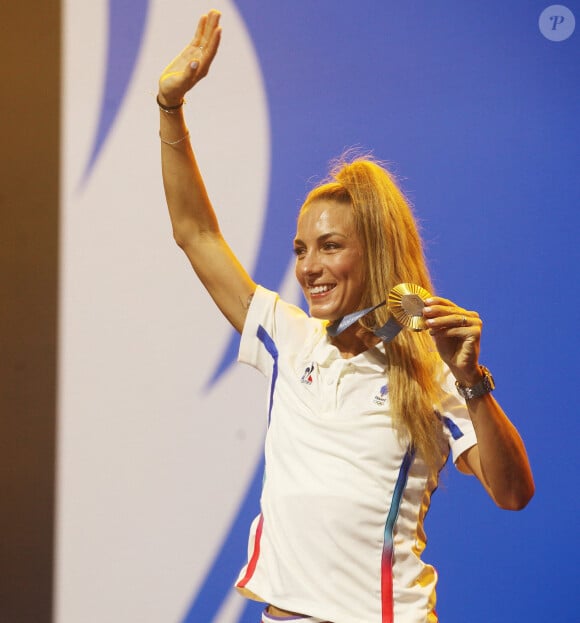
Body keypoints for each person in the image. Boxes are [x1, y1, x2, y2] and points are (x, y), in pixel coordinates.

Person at [157, 10, 534, 623]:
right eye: (301, 249)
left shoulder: (432, 372)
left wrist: (472, 381)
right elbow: (195, 232)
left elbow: (512, 493)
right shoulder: (288, 338)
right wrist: (170, 108)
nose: (308, 267)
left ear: (375, 251)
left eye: (330, 246)